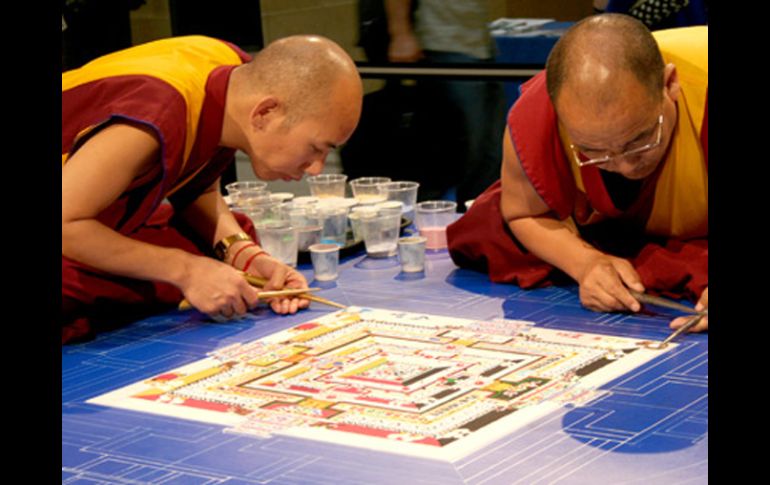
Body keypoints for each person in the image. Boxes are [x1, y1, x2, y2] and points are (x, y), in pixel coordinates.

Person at [62, 35, 363, 343]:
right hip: (70, 220)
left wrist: (245, 255)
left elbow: (197, 189)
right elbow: (65, 223)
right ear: (264, 113)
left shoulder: (232, 76)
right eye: (315, 148)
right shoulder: (155, 114)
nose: (316, 168)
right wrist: (186, 271)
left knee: (233, 236)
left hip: (89, 211)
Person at [446, 14, 708, 332]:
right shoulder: (539, 111)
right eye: (593, 151)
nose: (625, 166)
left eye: (640, 140)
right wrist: (585, 263)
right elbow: (523, 213)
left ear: (670, 84)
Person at [383, 0, 507, 204]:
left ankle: (477, 216)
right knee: (463, 148)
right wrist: (400, 33)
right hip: (444, 45)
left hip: (481, 46)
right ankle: (438, 214)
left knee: (491, 149)